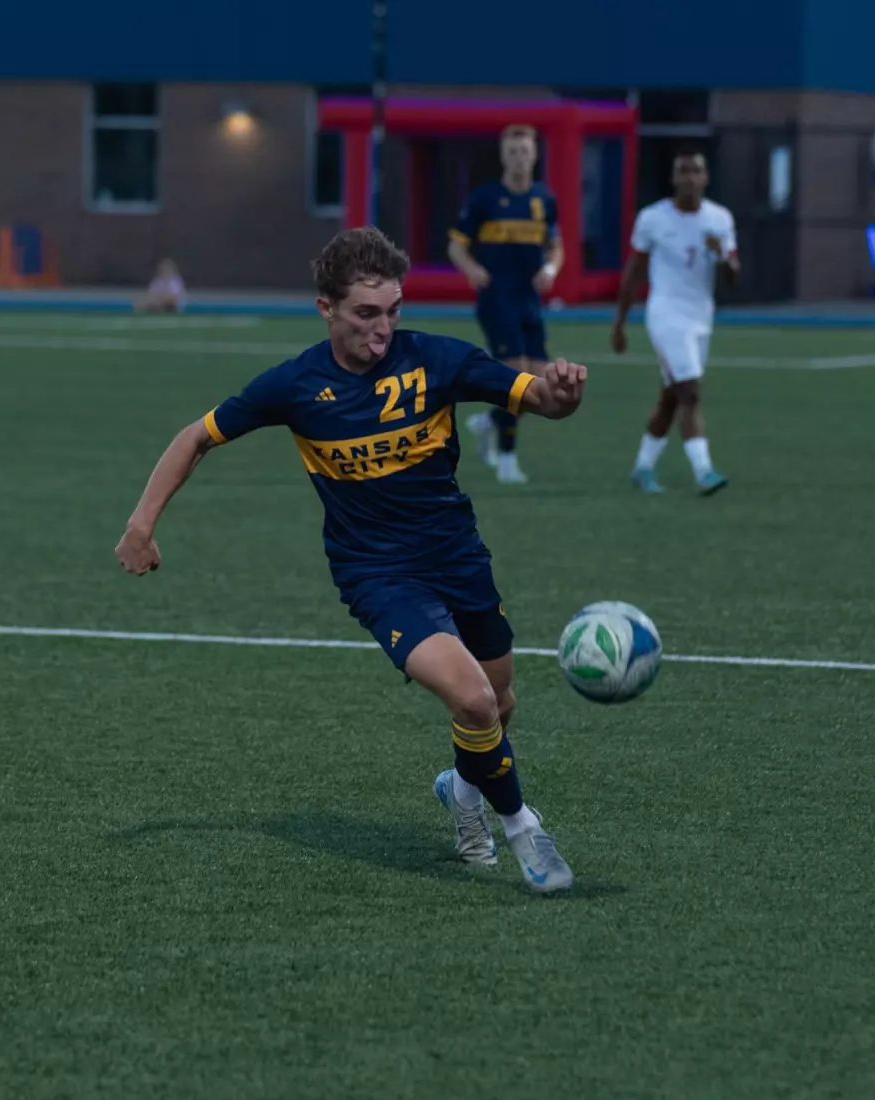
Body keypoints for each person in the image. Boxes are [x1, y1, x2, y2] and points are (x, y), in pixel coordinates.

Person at [115, 226, 588, 894]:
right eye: (367, 313)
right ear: (325, 308)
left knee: (499, 699)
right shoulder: (296, 385)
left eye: (394, 310)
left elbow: (537, 397)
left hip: (457, 555)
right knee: (475, 699)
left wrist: (563, 394)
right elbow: (198, 436)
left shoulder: (437, 360)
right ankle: (522, 830)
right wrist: (141, 523)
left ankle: (460, 789)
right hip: (377, 575)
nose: (384, 327)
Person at [611, 147, 739, 495]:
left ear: (706, 177)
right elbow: (634, 271)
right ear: (673, 178)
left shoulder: (720, 219)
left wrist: (722, 257)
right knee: (691, 392)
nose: (690, 178)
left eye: (696, 171)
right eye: (683, 171)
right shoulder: (653, 218)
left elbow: (733, 278)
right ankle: (704, 471)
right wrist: (620, 322)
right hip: (666, 315)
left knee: (672, 396)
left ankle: (643, 467)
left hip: (701, 317)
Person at [447, 124, 563, 485]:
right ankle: (508, 462)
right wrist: (472, 268)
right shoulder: (485, 199)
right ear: (503, 156)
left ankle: (490, 422)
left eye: (525, 151)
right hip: (497, 299)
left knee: (543, 386)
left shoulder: (544, 200)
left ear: (535, 155)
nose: (519, 158)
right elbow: (455, 246)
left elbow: (556, 246)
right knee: (518, 378)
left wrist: (551, 269)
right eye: (513, 152)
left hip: (530, 300)